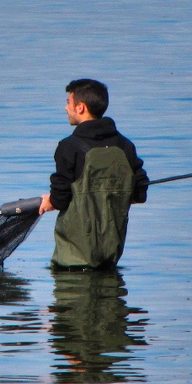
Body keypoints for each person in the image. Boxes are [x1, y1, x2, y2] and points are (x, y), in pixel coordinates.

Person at [39, 79, 149, 268]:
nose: (66, 108)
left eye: (68, 103)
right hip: (110, 255)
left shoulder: (68, 147)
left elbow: (61, 199)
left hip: (72, 259)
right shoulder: (125, 146)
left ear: (80, 107)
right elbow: (139, 194)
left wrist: (50, 201)